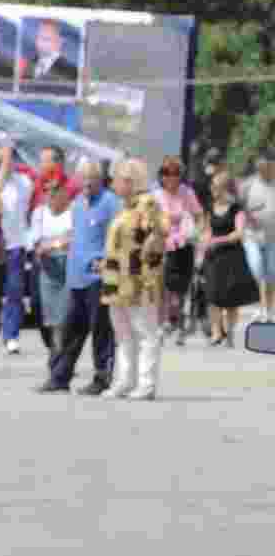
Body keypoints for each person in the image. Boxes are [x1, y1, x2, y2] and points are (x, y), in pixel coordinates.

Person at [38, 159, 121, 395]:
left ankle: (102, 378)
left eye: (90, 179)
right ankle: (59, 377)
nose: (85, 184)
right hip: (76, 277)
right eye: (82, 179)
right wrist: (54, 244)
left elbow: (118, 235)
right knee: (71, 330)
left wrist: (107, 259)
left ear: (99, 180)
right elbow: (77, 234)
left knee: (101, 330)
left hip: (98, 277)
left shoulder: (110, 202)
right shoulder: (77, 204)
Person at [99, 158, 169, 400]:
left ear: (129, 181)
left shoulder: (147, 204)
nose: (113, 183)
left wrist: (149, 273)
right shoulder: (124, 207)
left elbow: (158, 237)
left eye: (117, 179)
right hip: (116, 280)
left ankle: (146, 384)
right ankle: (124, 381)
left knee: (146, 334)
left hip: (139, 281)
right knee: (123, 335)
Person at [0, 144, 32, 355]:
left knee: (14, 290)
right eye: (3, 159)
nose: (8, 164)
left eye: (11, 159)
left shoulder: (24, 182)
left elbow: (24, 211)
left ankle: (11, 335)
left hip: (16, 243)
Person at [203, 171, 259, 347]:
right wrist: (205, 240)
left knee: (231, 300)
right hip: (213, 257)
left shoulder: (237, 209)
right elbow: (206, 230)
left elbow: (239, 233)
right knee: (212, 296)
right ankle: (216, 332)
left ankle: (229, 331)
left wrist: (216, 241)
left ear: (226, 189)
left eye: (217, 187)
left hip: (231, 256)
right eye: (212, 187)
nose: (214, 190)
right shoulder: (210, 207)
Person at [153, 156, 203, 345]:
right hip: (164, 246)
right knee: (164, 287)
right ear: (162, 175)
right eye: (167, 173)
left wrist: (196, 232)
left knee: (181, 290)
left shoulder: (187, 193)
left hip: (185, 244)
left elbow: (199, 215)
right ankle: (162, 324)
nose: (171, 177)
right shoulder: (156, 195)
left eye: (175, 173)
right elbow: (151, 220)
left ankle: (178, 324)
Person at [27, 178, 72, 354]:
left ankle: (59, 355)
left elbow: (72, 238)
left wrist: (53, 244)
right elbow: (37, 242)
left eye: (56, 189)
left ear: (65, 192)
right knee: (44, 313)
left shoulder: (72, 212)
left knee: (63, 315)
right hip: (47, 267)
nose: (51, 194)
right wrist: (56, 243)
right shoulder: (39, 213)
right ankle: (55, 348)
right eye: (47, 190)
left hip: (67, 265)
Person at [241, 148, 275, 322]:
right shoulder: (248, 184)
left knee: (271, 273)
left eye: (268, 166)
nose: (264, 169)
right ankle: (260, 306)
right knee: (256, 268)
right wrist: (247, 217)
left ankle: (268, 309)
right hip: (252, 235)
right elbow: (239, 209)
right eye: (261, 166)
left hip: (273, 237)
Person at [19, 20, 78, 96]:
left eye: (46, 39)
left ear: (59, 42)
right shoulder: (30, 64)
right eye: (39, 38)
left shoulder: (70, 70)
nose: (41, 43)